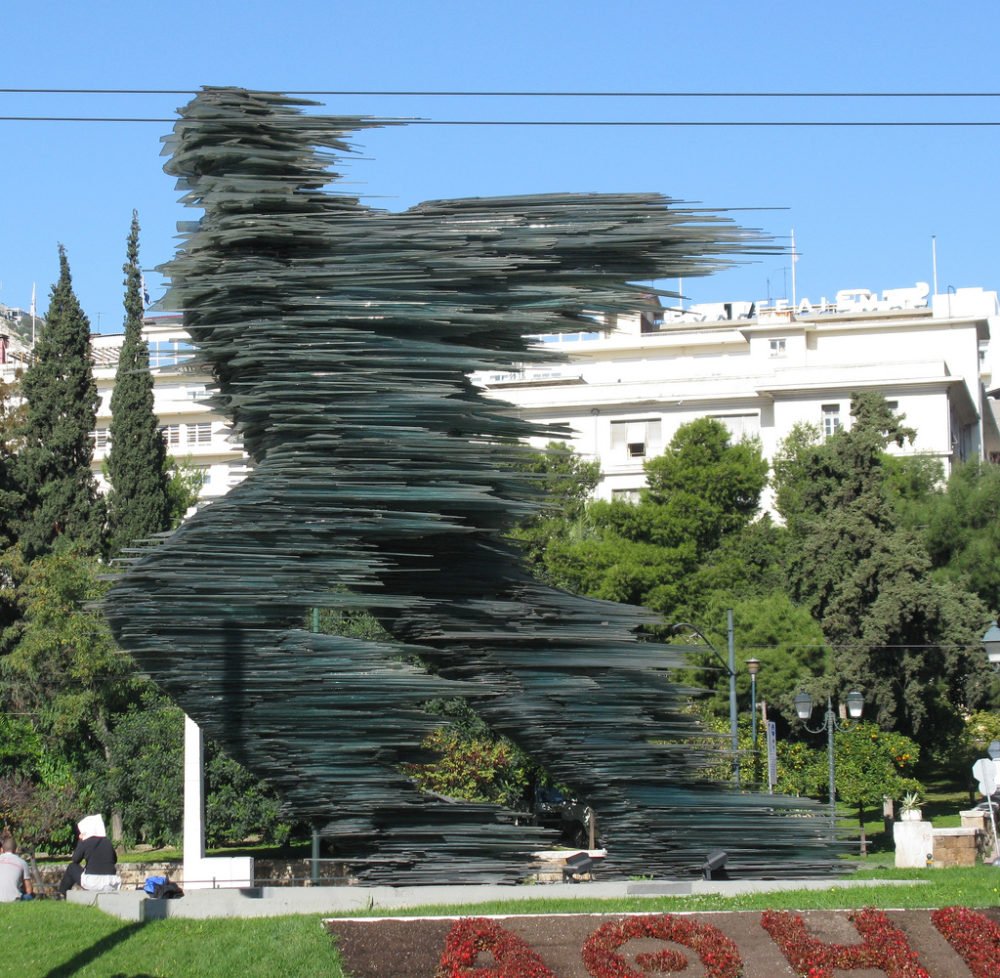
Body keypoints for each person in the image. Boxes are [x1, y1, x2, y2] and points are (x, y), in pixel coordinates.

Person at [55, 815, 121, 897]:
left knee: (72, 867)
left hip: (94, 881)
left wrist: (80, 841)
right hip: (112, 881)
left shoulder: (86, 842)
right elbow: (114, 860)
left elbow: (75, 860)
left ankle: (62, 893)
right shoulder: (107, 842)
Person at [0, 835, 34, 902]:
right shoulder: (22, 863)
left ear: (2, 849)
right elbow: (29, 890)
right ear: (16, 849)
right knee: (30, 896)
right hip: (14, 899)